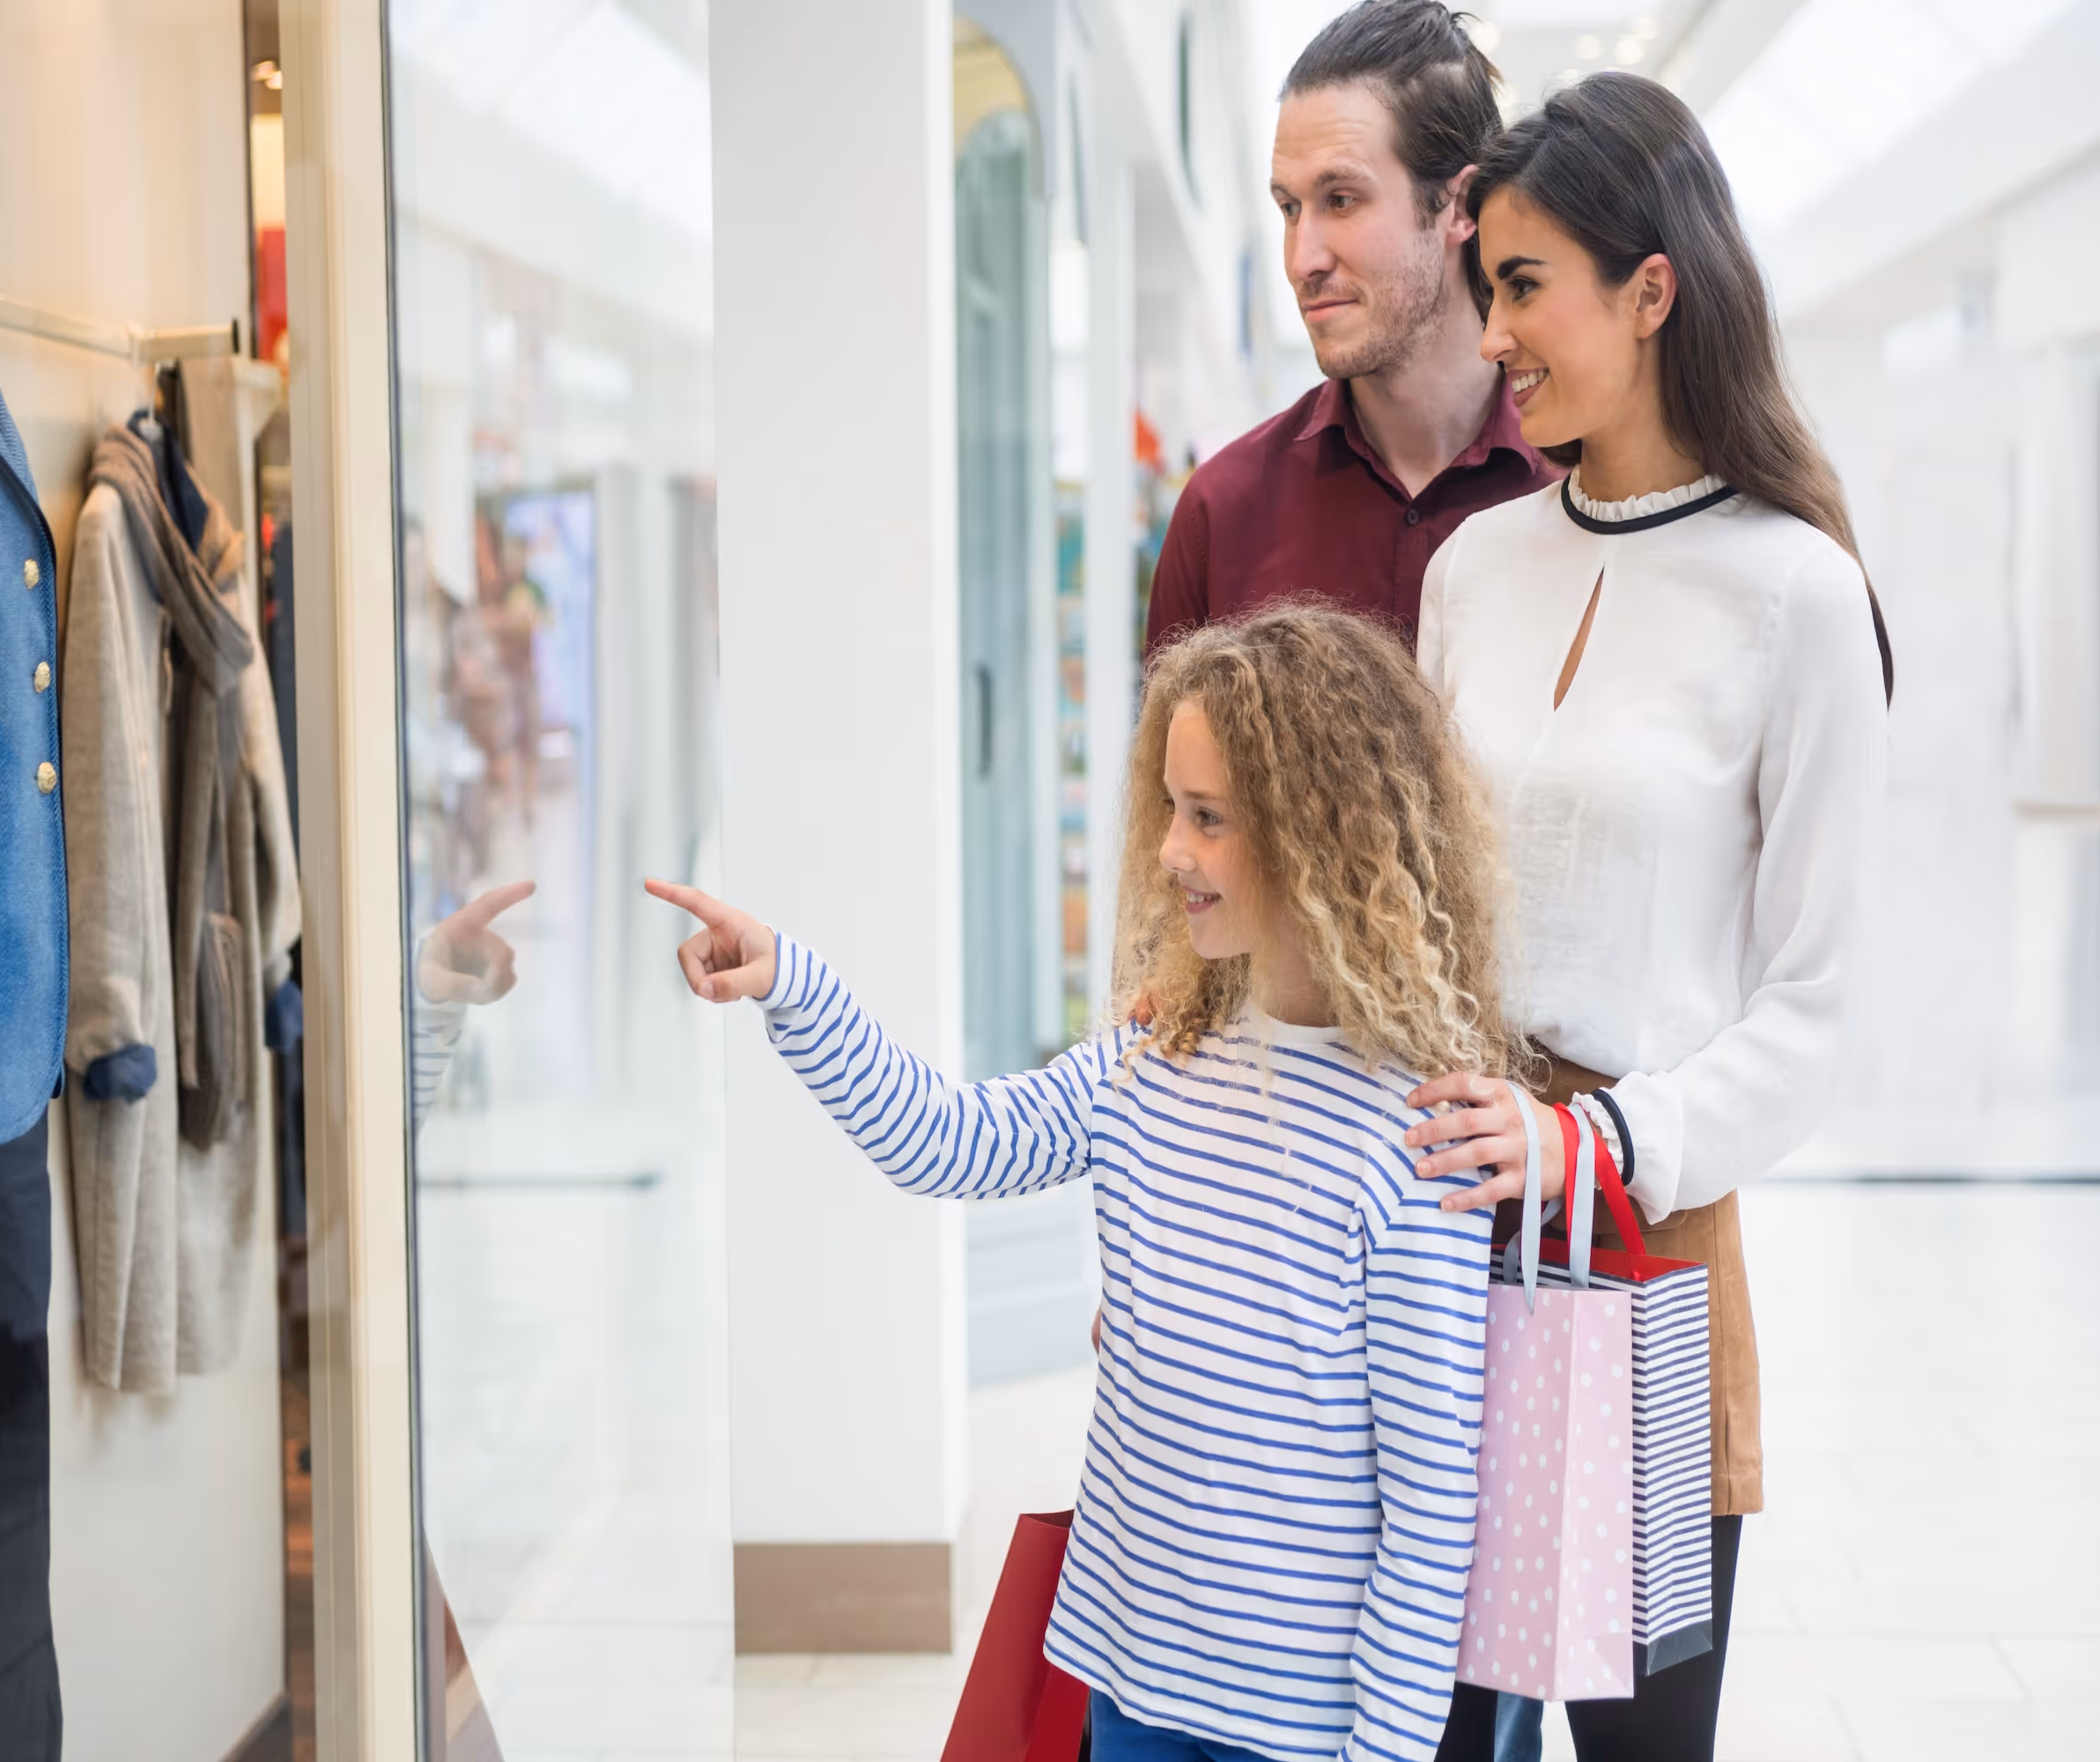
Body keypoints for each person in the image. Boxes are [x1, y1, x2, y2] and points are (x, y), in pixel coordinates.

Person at [654, 605, 1523, 1762]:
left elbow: (1429, 1519)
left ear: (1323, 843)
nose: (1169, 851)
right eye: (1171, 808)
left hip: (1303, 1730)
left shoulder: (1418, 1139)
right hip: (1129, 1679)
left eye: (1209, 820)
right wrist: (793, 986)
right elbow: (950, 1141)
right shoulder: (1149, 1062)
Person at [1408, 73, 1892, 1762]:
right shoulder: (1470, 571)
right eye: (1487, 292)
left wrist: (1599, 1143)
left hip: (1642, 1260)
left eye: (1525, 284)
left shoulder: (1799, 597)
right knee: (1437, 1741)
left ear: (1653, 286)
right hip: (1429, 1247)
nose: (1496, 335)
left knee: (1633, 1742)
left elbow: (1817, 1006)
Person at [1143, 0, 1558, 661]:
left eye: (1341, 200)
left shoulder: (1581, 494)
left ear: (1459, 208)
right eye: (1288, 207)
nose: (1302, 259)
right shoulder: (1219, 518)